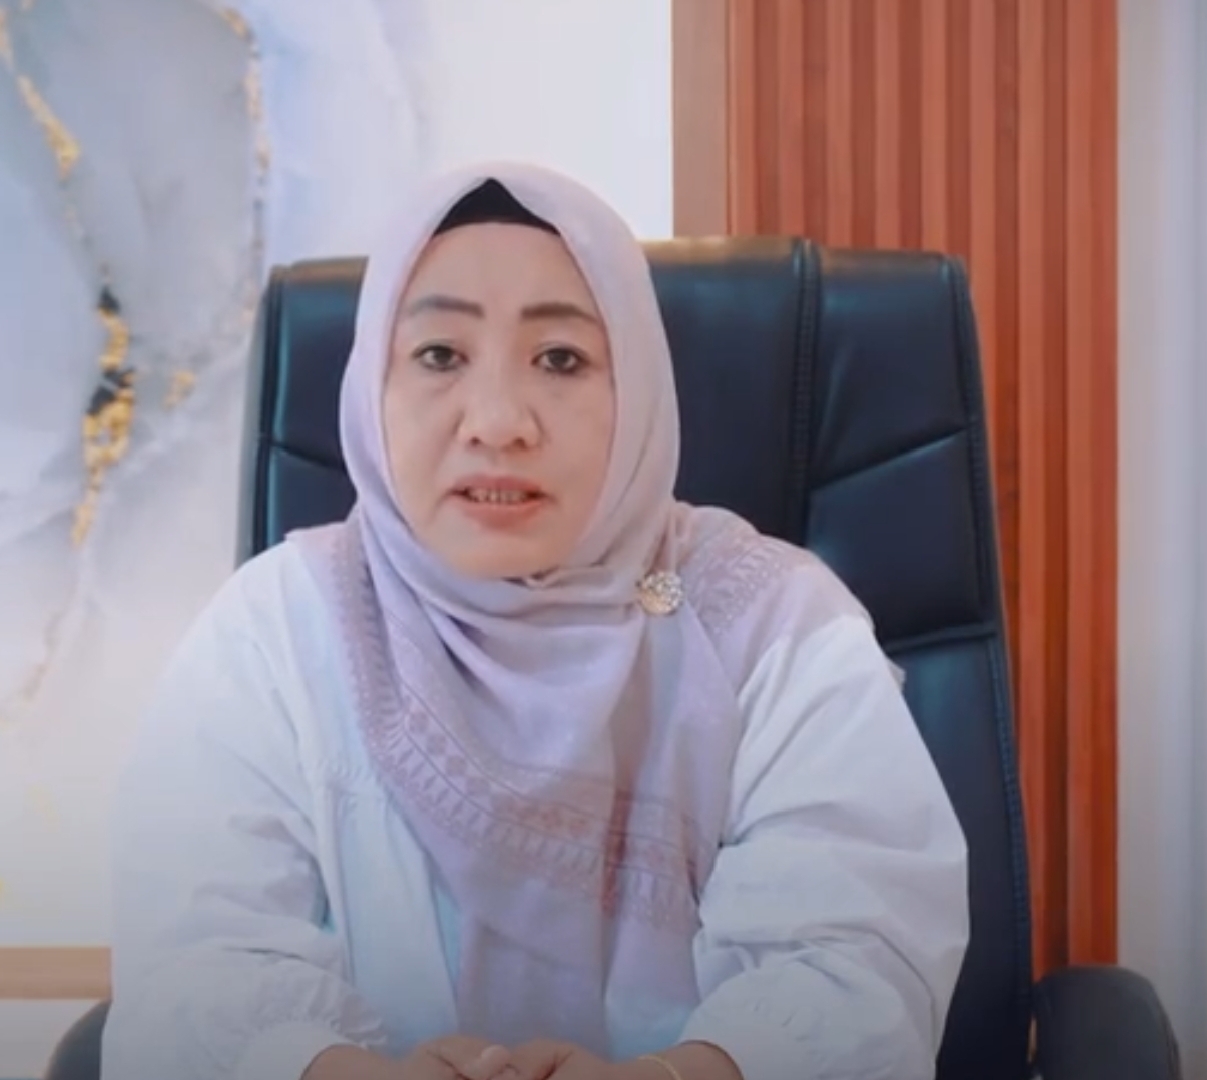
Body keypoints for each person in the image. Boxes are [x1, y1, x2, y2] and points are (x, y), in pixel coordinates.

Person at [100, 162, 970, 1080]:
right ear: (369, 388)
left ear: (637, 390)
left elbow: (857, 966)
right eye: (439, 355)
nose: (497, 422)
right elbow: (194, 973)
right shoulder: (277, 627)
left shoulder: (772, 617)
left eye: (560, 359)